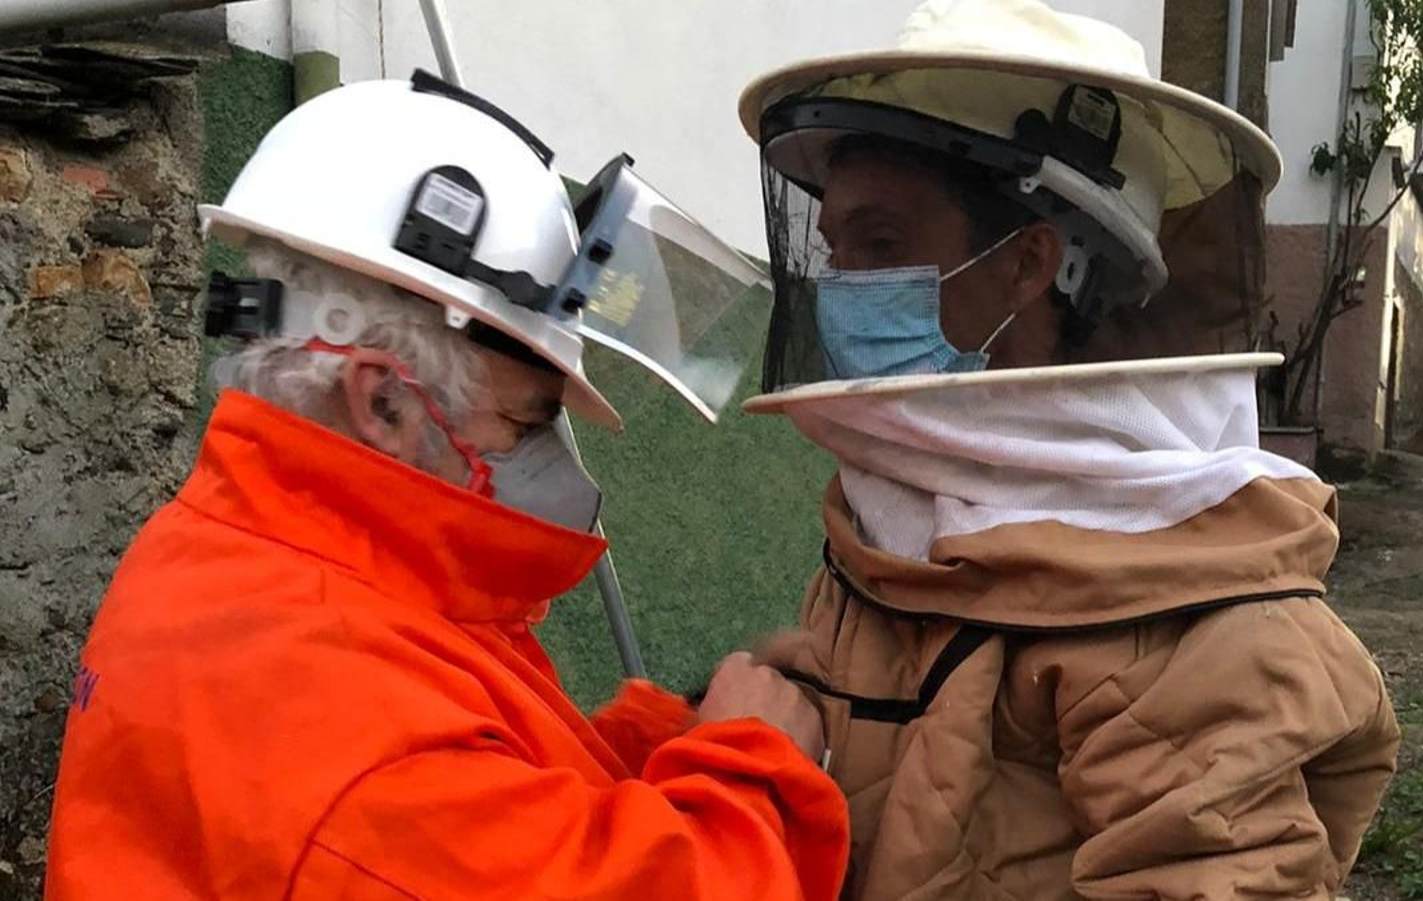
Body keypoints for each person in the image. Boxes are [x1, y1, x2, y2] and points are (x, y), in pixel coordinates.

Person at [45, 74, 847, 900]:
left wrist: (675, 730)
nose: (549, 459)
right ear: (384, 400)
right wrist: (752, 767)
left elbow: (496, 812)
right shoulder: (336, 723)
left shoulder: (252, 557)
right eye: (528, 420)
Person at [737, 1, 1400, 898]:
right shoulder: (896, 499)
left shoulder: (1172, 585)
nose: (842, 286)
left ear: (1027, 263)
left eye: (882, 243)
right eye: (838, 246)